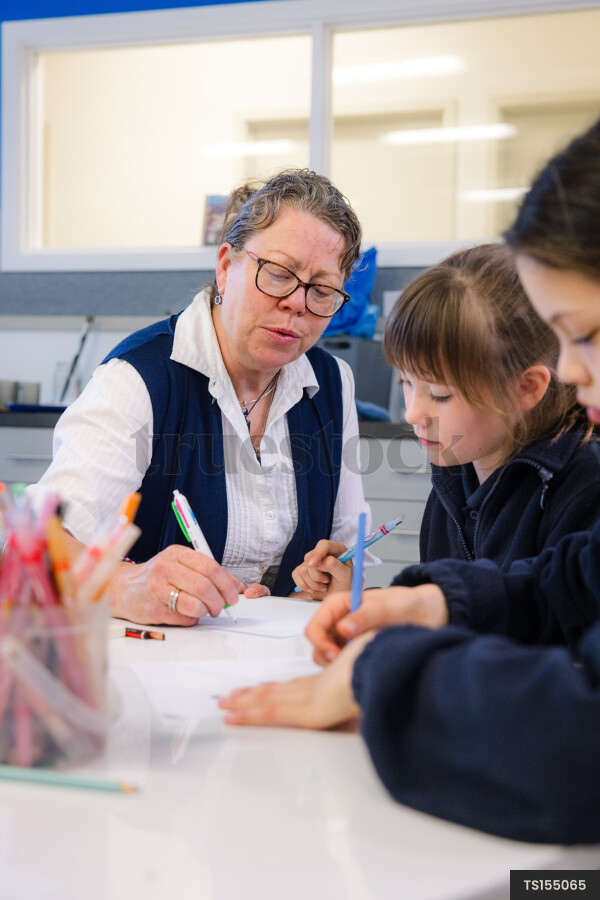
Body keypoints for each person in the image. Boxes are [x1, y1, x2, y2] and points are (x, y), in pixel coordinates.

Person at [219, 118, 600, 844]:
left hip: (564, 860)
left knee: (546, 891)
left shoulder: (579, 480)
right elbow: (563, 585)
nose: (578, 369)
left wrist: (382, 668)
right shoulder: (454, 477)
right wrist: (421, 603)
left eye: (584, 333)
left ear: (527, 387)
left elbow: (570, 735)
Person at [28, 169, 372, 626]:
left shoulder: (331, 382)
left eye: (322, 290)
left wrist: (340, 576)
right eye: (278, 274)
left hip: (279, 661)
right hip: (151, 665)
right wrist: (126, 585)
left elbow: (352, 548)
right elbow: (35, 548)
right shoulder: (140, 376)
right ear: (226, 267)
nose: (296, 303)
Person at [292, 243, 600, 603]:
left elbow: (545, 642)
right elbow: (446, 608)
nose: (411, 414)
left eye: (440, 394)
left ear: (526, 388)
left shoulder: (584, 489)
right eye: (406, 383)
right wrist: (356, 597)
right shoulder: (458, 469)